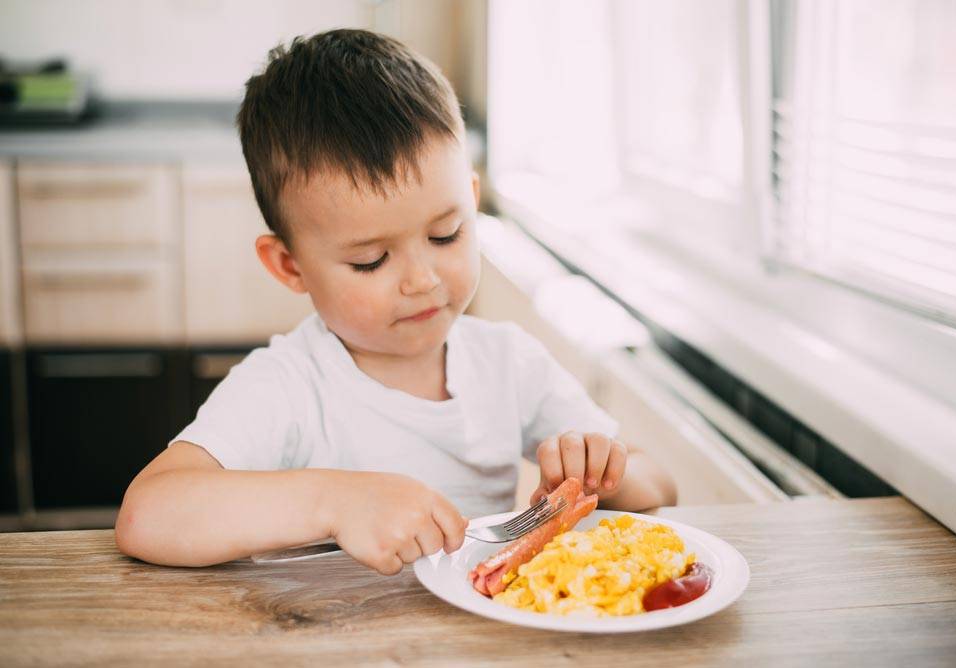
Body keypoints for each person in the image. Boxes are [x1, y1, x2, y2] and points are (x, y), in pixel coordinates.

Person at [115, 29, 676, 574]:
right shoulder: (288, 386)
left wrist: (601, 474)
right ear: (290, 266)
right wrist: (334, 503)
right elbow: (148, 514)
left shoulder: (510, 363)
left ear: (472, 204)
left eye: (446, 234)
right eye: (370, 261)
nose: (422, 281)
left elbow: (660, 486)